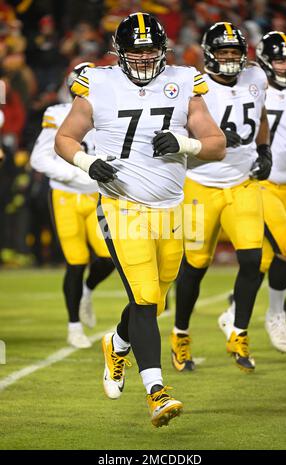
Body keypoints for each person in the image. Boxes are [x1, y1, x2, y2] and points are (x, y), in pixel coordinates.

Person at [54, 12, 225, 427]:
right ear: (120, 52)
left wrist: (186, 142)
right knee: (145, 298)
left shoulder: (185, 81)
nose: (145, 57)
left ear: (163, 50)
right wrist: (86, 161)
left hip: (173, 207)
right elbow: (65, 138)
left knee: (155, 298)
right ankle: (157, 391)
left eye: (152, 49)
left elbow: (216, 144)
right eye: (137, 50)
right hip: (122, 204)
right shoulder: (97, 82)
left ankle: (117, 341)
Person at [172, 22, 272, 373]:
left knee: (253, 260)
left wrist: (263, 148)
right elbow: (177, 139)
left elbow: (259, 117)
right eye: (223, 53)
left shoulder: (256, 78)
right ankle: (180, 335)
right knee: (195, 266)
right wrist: (211, 141)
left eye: (235, 54)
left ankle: (239, 333)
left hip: (243, 183)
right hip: (199, 184)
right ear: (209, 54)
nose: (230, 60)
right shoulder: (192, 88)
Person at [219, 31, 286, 353]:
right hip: (259, 184)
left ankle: (231, 313)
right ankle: (276, 314)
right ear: (266, 60)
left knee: (266, 259)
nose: (284, 65)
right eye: (279, 59)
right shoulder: (251, 85)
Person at [30, 62, 115, 349]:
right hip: (66, 196)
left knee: (110, 257)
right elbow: (39, 159)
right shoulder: (57, 113)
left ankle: (87, 292)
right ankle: (73, 326)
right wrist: (78, 174)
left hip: (97, 197)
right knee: (76, 261)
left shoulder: (110, 112)